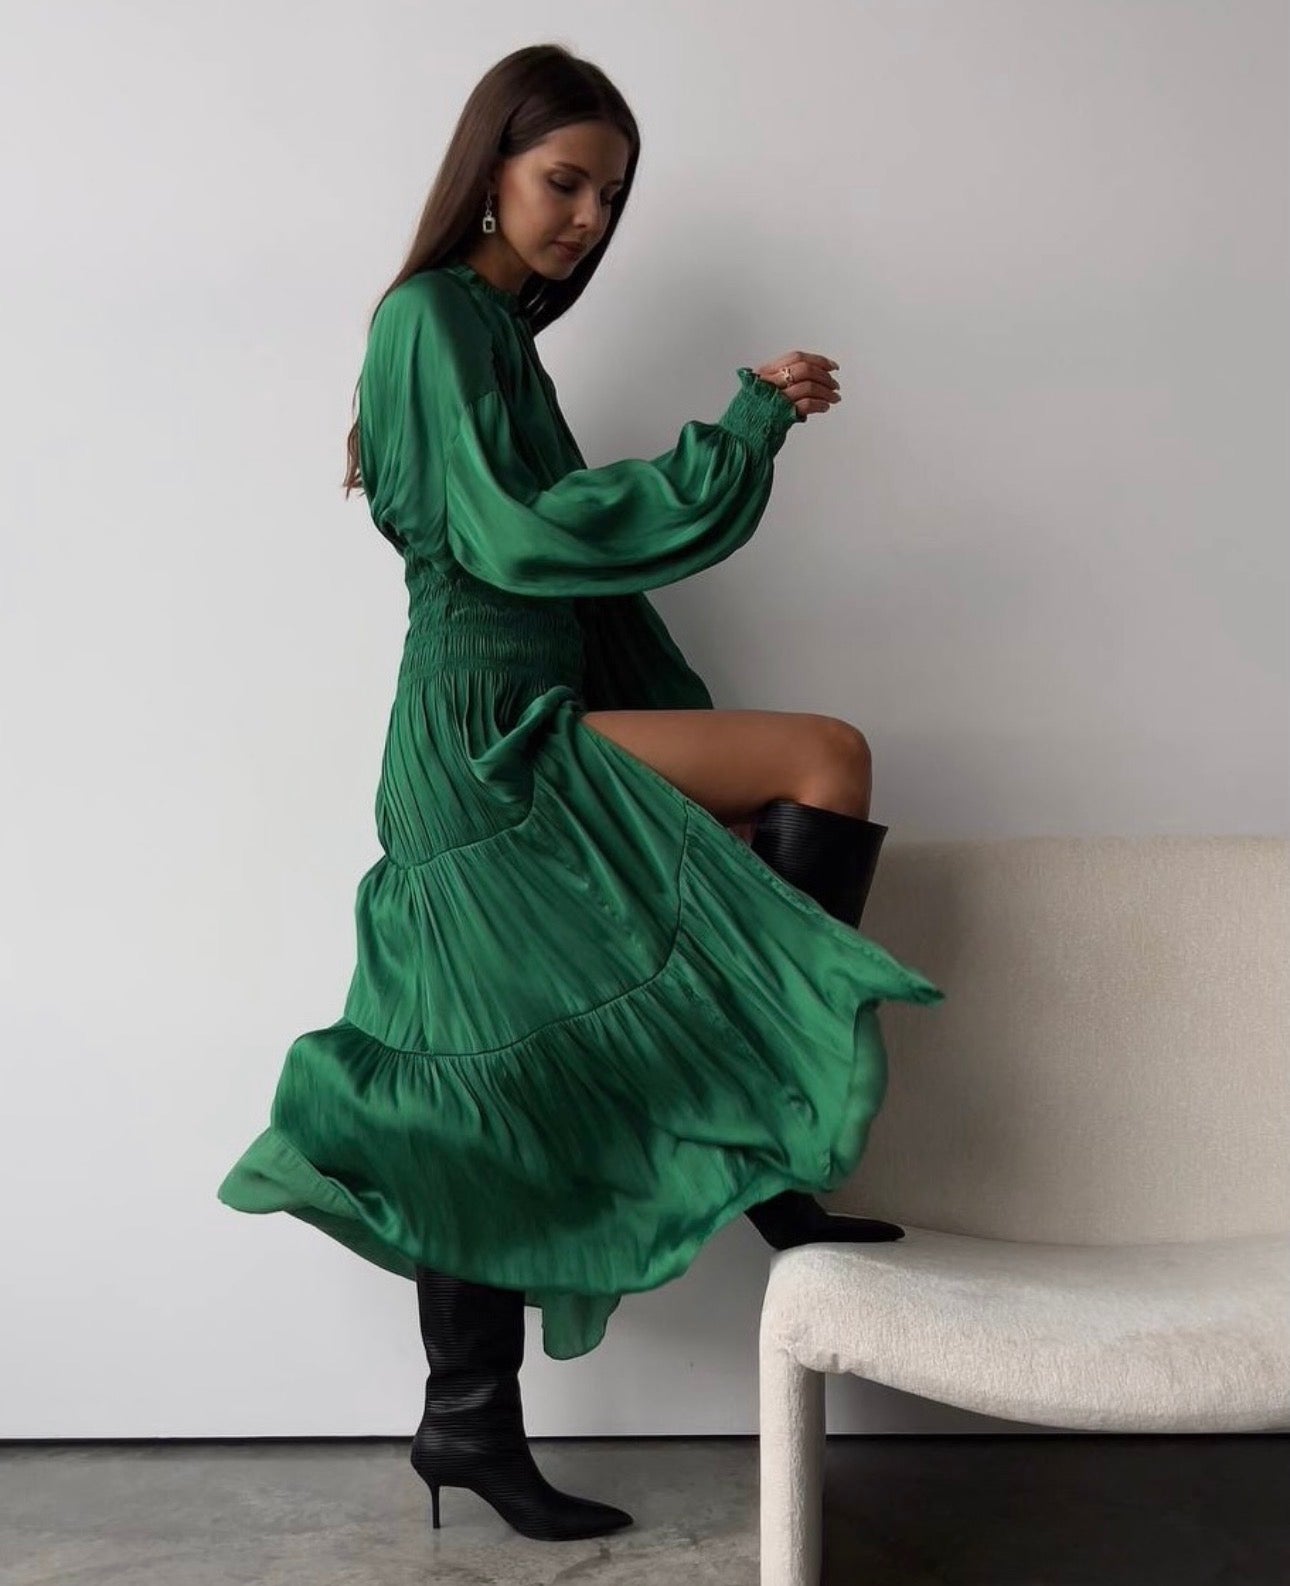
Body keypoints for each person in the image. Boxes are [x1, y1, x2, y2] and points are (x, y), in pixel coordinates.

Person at [217, 42, 945, 1544]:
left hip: (534, 707)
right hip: (476, 734)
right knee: (476, 1083)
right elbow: (522, 537)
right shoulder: (429, 317)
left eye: (611, 197)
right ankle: (736, 1155)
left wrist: (692, 782)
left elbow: (573, 578)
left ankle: (492, 1393)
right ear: (487, 170)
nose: (589, 220)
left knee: (495, 1071)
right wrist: (734, 439)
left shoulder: (494, 335)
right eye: (565, 182)